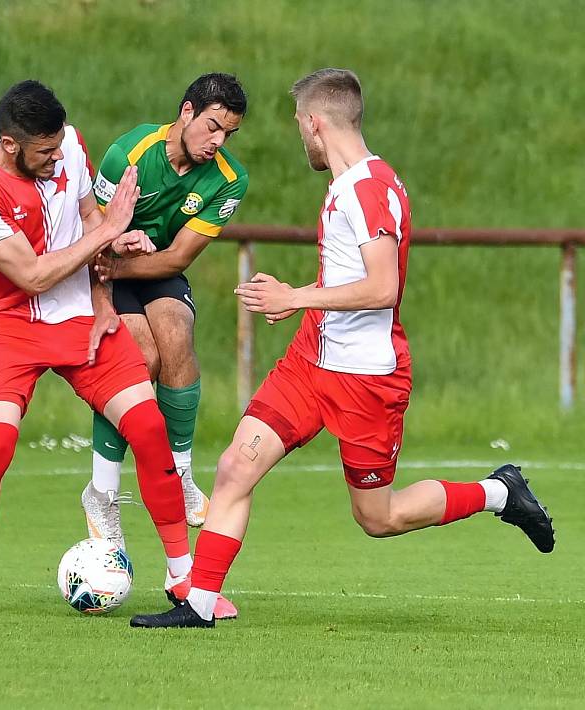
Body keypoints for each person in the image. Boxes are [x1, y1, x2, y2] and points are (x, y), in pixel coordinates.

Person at [129, 68, 555, 629]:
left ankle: (499, 492)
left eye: (299, 128)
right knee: (236, 466)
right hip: (312, 361)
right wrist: (303, 305)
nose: (300, 139)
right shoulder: (347, 183)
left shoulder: (370, 189)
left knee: (378, 517)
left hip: (366, 378)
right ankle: (199, 604)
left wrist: (296, 295)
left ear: (314, 123)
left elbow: (383, 289)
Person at [0, 79, 193, 614]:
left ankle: (184, 580)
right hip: (7, 326)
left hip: (81, 320)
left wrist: (111, 257)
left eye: (59, 144)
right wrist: (109, 227)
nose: (57, 157)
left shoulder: (70, 144)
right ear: (11, 144)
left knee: (149, 428)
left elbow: (90, 220)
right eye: (45, 151)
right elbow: (35, 276)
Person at [81, 73, 248, 558]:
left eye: (229, 134)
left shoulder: (230, 179)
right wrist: (116, 241)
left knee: (177, 332)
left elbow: (177, 258)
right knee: (138, 360)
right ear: (187, 111)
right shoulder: (128, 154)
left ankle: (182, 477)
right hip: (107, 268)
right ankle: (102, 494)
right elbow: (91, 229)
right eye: (213, 127)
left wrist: (131, 253)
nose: (218, 142)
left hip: (154, 266)